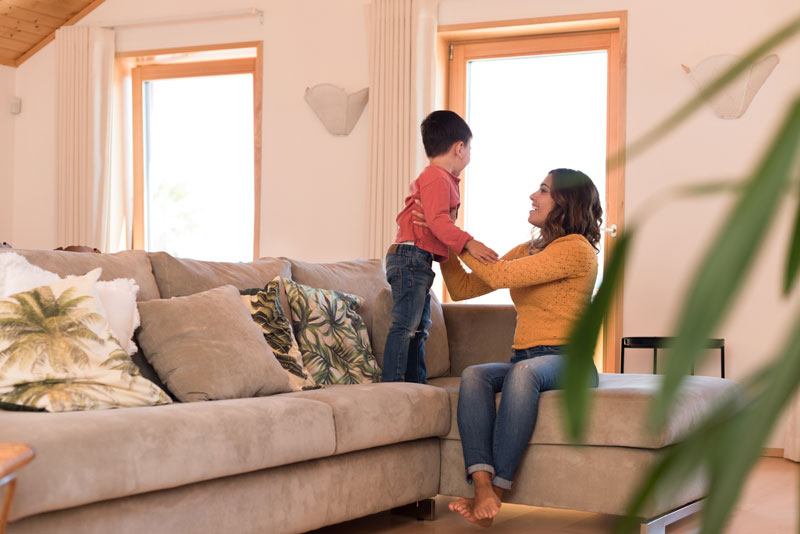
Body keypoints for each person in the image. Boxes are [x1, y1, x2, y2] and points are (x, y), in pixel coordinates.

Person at [416, 168, 602, 526]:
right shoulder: (529, 250)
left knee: (523, 373)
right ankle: (482, 483)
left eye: (544, 190)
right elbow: (465, 289)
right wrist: (448, 246)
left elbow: (502, 275)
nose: (534, 195)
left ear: (566, 202)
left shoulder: (576, 250)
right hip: (526, 359)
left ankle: (496, 492)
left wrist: (460, 239)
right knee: (474, 376)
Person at [381, 110, 498, 384]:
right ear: (459, 147)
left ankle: (415, 384)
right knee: (406, 325)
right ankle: (392, 385)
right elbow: (437, 221)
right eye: (470, 149)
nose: (469, 155)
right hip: (410, 257)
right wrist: (469, 242)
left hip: (417, 259)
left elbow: (435, 222)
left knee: (420, 327)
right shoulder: (437, 177)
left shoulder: (439, 178)